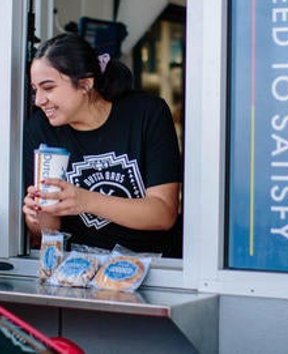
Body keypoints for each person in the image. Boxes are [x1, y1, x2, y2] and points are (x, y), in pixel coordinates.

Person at [22, 33, 182, 256]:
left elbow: (163, 214)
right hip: (78, 269)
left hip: (156, 268)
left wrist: (85, 201)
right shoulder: (40, 129)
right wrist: (38, 214)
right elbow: (47, 234)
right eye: (34, 89)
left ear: (86, 84)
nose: (39, 100)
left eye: (48, 88)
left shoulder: (146, 113)